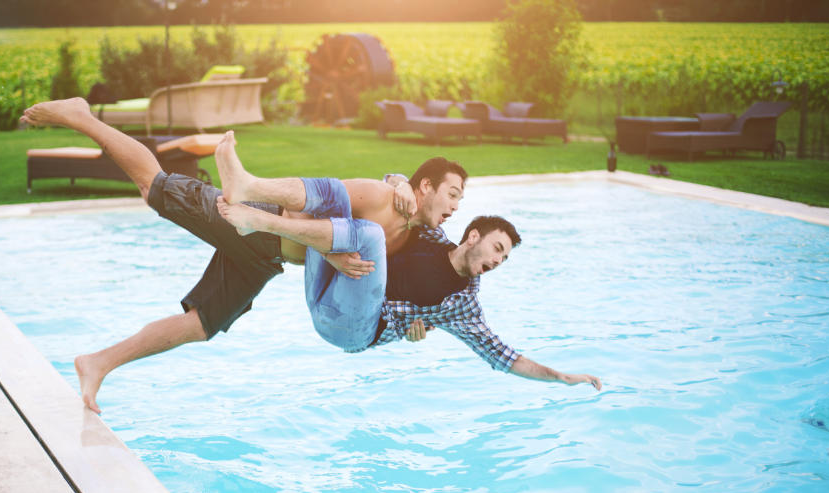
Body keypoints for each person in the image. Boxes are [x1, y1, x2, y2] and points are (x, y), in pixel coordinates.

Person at [18, 98, 465, 412]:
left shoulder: (409, 238)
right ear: (425, 186)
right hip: (255, 219)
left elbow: (378, 291)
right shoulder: (378, 196)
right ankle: (83, 117)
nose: (455, 207)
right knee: (153, 187)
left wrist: (408, 327)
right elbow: (302, 204)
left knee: (200, 324)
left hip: (265, 258)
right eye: (452, 194)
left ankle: (97, 363)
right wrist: (328, 255)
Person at [213, 135, 603, 391]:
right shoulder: (428, 235)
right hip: (325, 292)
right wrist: (400, 181)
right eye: (498, 248)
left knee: (367, 235)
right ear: (472, 237)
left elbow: (503, 356)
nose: (499, 260)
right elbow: (404, 192)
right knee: (340, 201)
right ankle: (249, 186)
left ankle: (260, 221)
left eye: (504, 257)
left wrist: (562, 377)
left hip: (352, 329)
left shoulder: (463, 306)